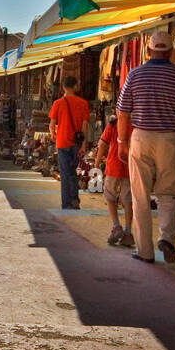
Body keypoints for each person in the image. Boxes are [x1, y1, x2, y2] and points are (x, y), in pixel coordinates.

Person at [117, 29, 175, 264]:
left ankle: (145, 251)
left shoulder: (135, 75)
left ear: (149, 50)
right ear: (171, 51)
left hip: (141, 137)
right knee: (168, 194)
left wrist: (123, 142)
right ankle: (167, 239)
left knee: (140, 196)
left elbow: (123, 112)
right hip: (170, 139)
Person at [49, 76, 90, 210]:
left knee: (65, 174)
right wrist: (83, 144)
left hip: (62, 142)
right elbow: (85, 126)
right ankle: (74, 200)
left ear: (63, 87)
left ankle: (66, 203)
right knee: (73, 173)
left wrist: (54, 135)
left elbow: (52, 124)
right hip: (76, 143)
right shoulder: (83, 103)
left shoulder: (58, 103)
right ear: (75, 86)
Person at [96, 113, 134, 248]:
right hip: (131, 167)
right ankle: (128, 233)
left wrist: (96, 163)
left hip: (113, 167)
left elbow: (102, 145)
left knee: (110, 197)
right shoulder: (137, 124)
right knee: (128, 200)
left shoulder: (113, 124)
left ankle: (116, 227)